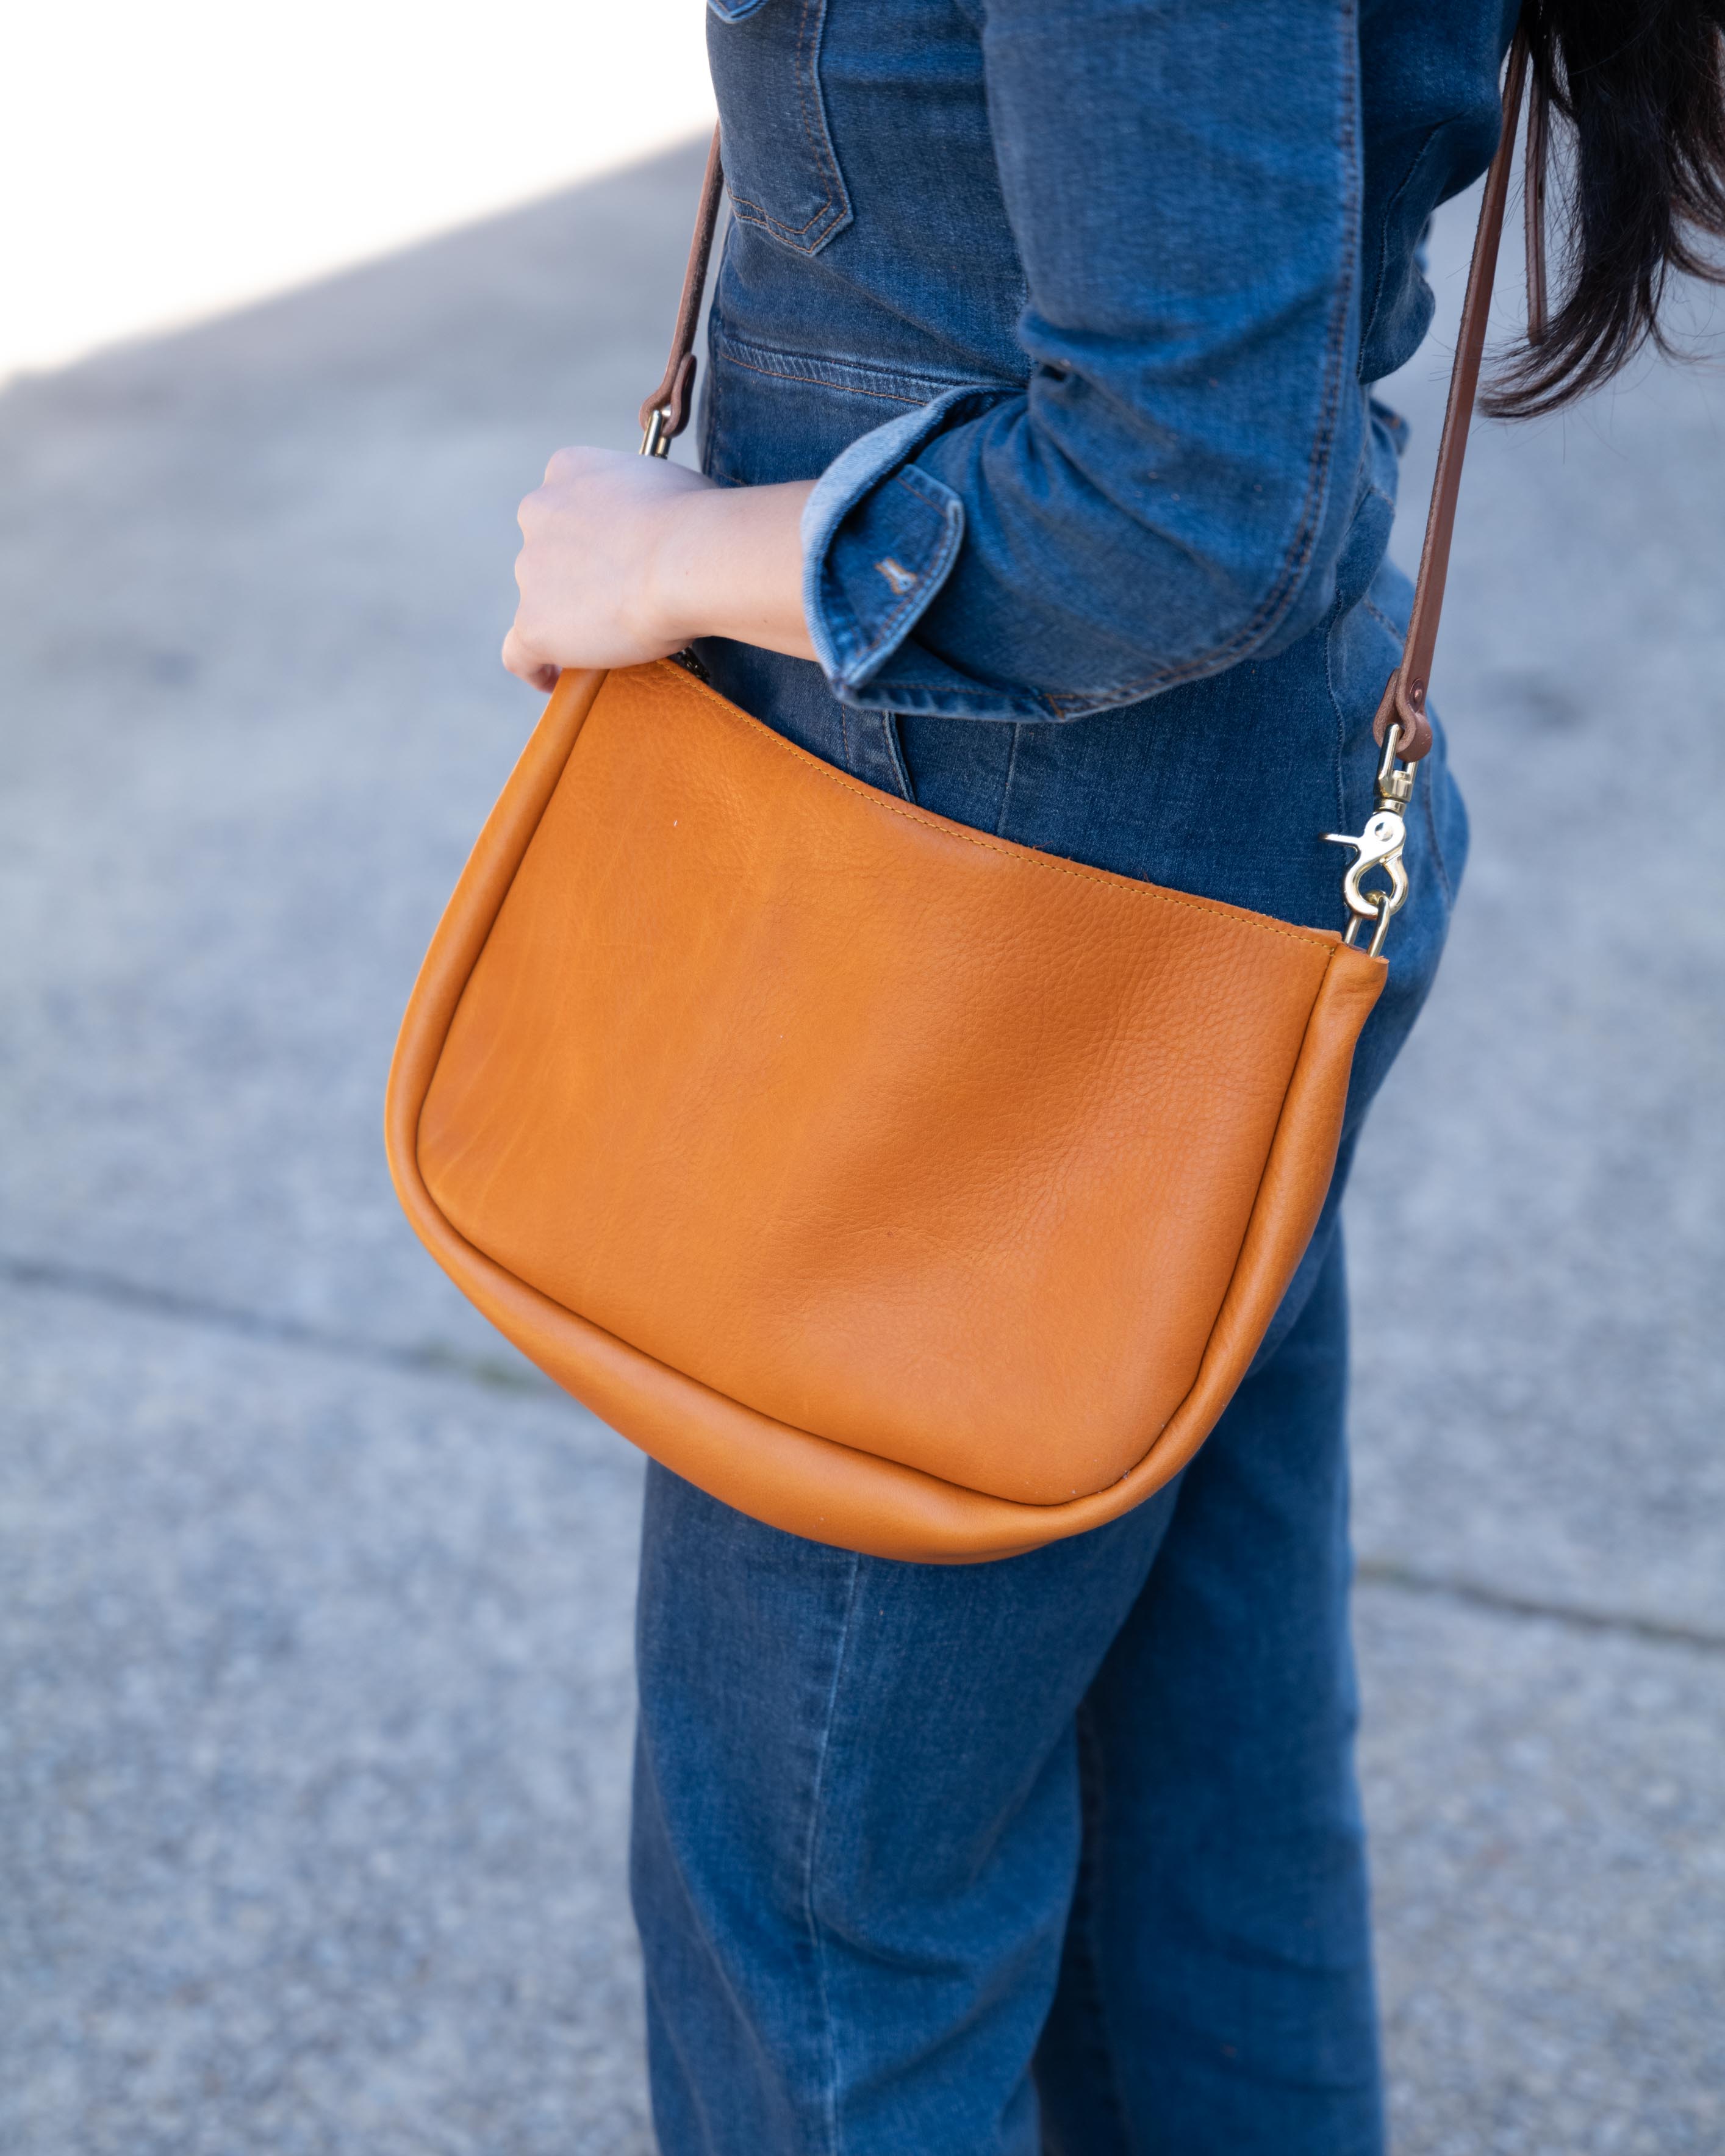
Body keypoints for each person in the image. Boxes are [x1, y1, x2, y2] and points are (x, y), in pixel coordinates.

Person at [501, 5, 1725, 2149]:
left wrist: (670, 559)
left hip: (993, 910)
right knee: (1185, 1784)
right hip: (1161, 870)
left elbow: (1179, 498)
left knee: (822, 1914)